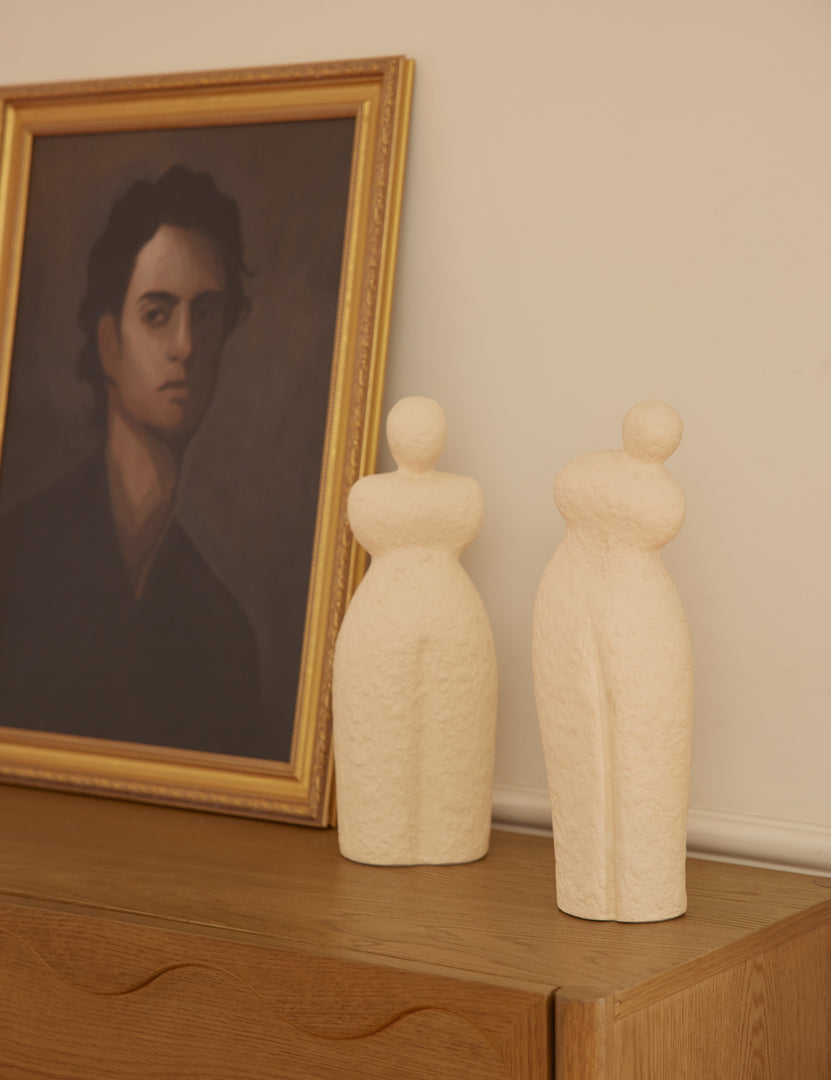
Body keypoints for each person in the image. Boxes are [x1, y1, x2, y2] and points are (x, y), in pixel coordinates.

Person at [0, 165, 267, 757]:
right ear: (108, 345)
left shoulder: (224, 635)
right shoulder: (15, 557)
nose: (186, 346)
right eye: (156, 314)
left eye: (205, 314)